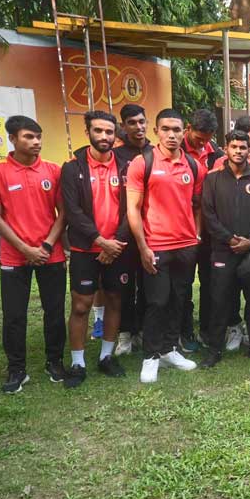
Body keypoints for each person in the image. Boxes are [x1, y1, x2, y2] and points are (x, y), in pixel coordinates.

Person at [126, 108, 203, 383]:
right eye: (166, 129)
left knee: (178, 299)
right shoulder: (142, 162)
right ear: (156, 131)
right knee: (156, 301)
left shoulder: (194, 165)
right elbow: (133, 209)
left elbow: (197, 205)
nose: (172, 135)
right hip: (156, 245)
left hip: (186, 246)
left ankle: (170, 349)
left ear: (185, 132)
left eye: (177, 130)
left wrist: (197, 235)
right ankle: (151, 356)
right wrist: (143, 246)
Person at [0, 115, 67, 393]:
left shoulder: (53, 170)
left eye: (38, 137)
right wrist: (24, 248)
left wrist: (47, 245)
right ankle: (16, 370)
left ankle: (54, 362)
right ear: (12, 139)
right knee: (14, 315)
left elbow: (64, 212)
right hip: (15, 256)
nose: (36, 142)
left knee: (55, 311)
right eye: (28, 137)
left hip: (52, 254)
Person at [60, 110, 132, 388]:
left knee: (115, 300)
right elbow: (72, 211)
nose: (104, 136)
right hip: (85, 248)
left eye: (109, 132)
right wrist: (101, 241)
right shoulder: (73, 166)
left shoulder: (126, 165)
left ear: (116, 134)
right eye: (98, 131)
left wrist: (115, 242)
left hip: (118, 247)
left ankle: (106, 357)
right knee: (81, 305)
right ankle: (77, 363)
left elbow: (132, 209)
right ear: (87, 131)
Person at [199, 130, 250, 368]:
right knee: (220, 301)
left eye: (243, 147)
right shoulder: (213, 179)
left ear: (249, 150)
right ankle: (215, 349)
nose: (238, 151)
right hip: (222, 251)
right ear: (226, 149)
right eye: (234, 147)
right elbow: (208, 215)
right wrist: (229, 239)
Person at [179, 109, 225, 353]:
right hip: (181, 229)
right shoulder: (175, 151)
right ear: (188, 128)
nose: (203, 143)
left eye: (207, 139)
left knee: (210, 282)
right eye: (199, 139)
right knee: (184, 284)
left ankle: (208, 328)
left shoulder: (216, 154)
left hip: (210, 231)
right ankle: (184, 331)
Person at [113, 104, 152, 356]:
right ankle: (125, 334)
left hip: (153, 234)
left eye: (141, 121)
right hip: (124, 233)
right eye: (131, 123)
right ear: (123, 126)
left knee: (149, 286)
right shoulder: (116, 156)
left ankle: (144, 331)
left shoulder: (155, 152)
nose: (138, 127)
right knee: (125, 287)